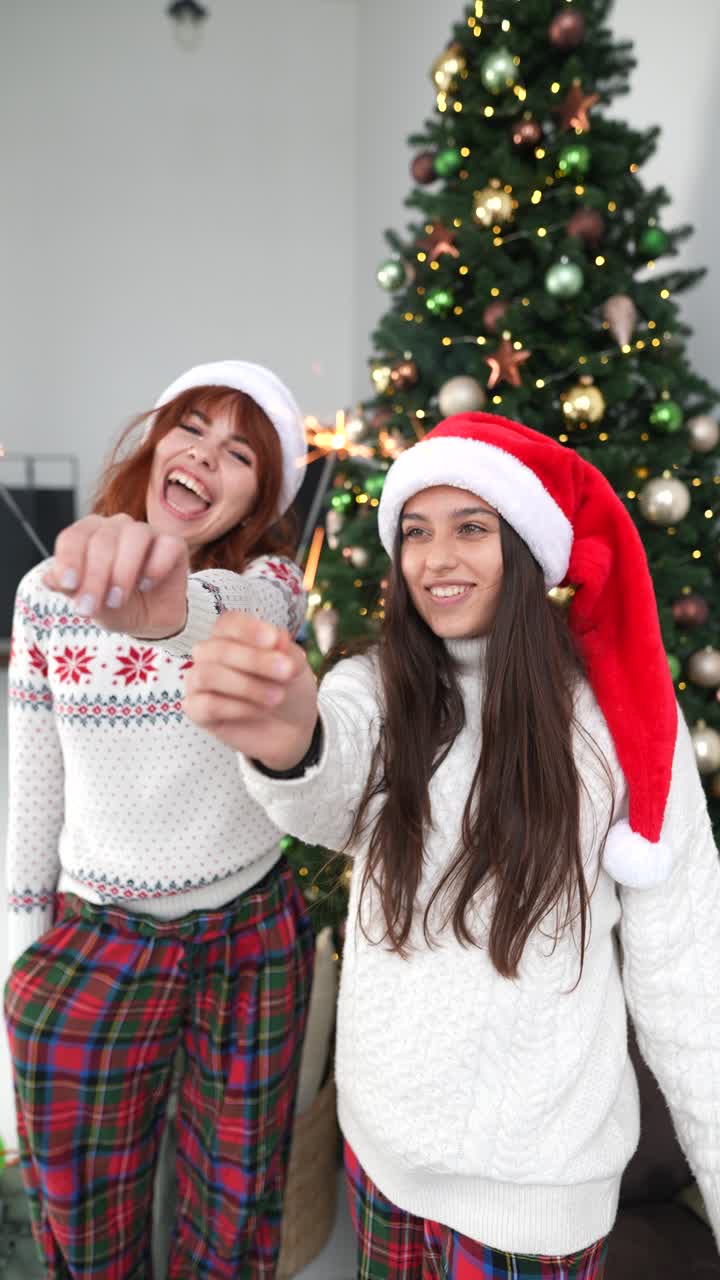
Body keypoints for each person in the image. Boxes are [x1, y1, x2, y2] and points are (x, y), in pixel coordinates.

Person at [181, 412, 720, 1279]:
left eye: (472, 529)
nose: (437, 560)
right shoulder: (373, 687)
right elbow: (331, 775)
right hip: (381, 1163)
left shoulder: (623, 729)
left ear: (528, 546)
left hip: (539, 1197)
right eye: (416, 533)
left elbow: (689, 977)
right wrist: (289, 736)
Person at [4, 360, 314, 1280]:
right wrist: (21, 958)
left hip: (250, 940)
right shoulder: (45, 598)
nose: (205, 458)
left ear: (256, 505)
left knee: (234, 1223)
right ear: (155, 445)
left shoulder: (270, 587)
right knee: (82, 1235)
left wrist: (164, 607)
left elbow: (235, 617)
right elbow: (30, 799)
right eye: (192, 430)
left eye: (240, 456)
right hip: (97, 944)